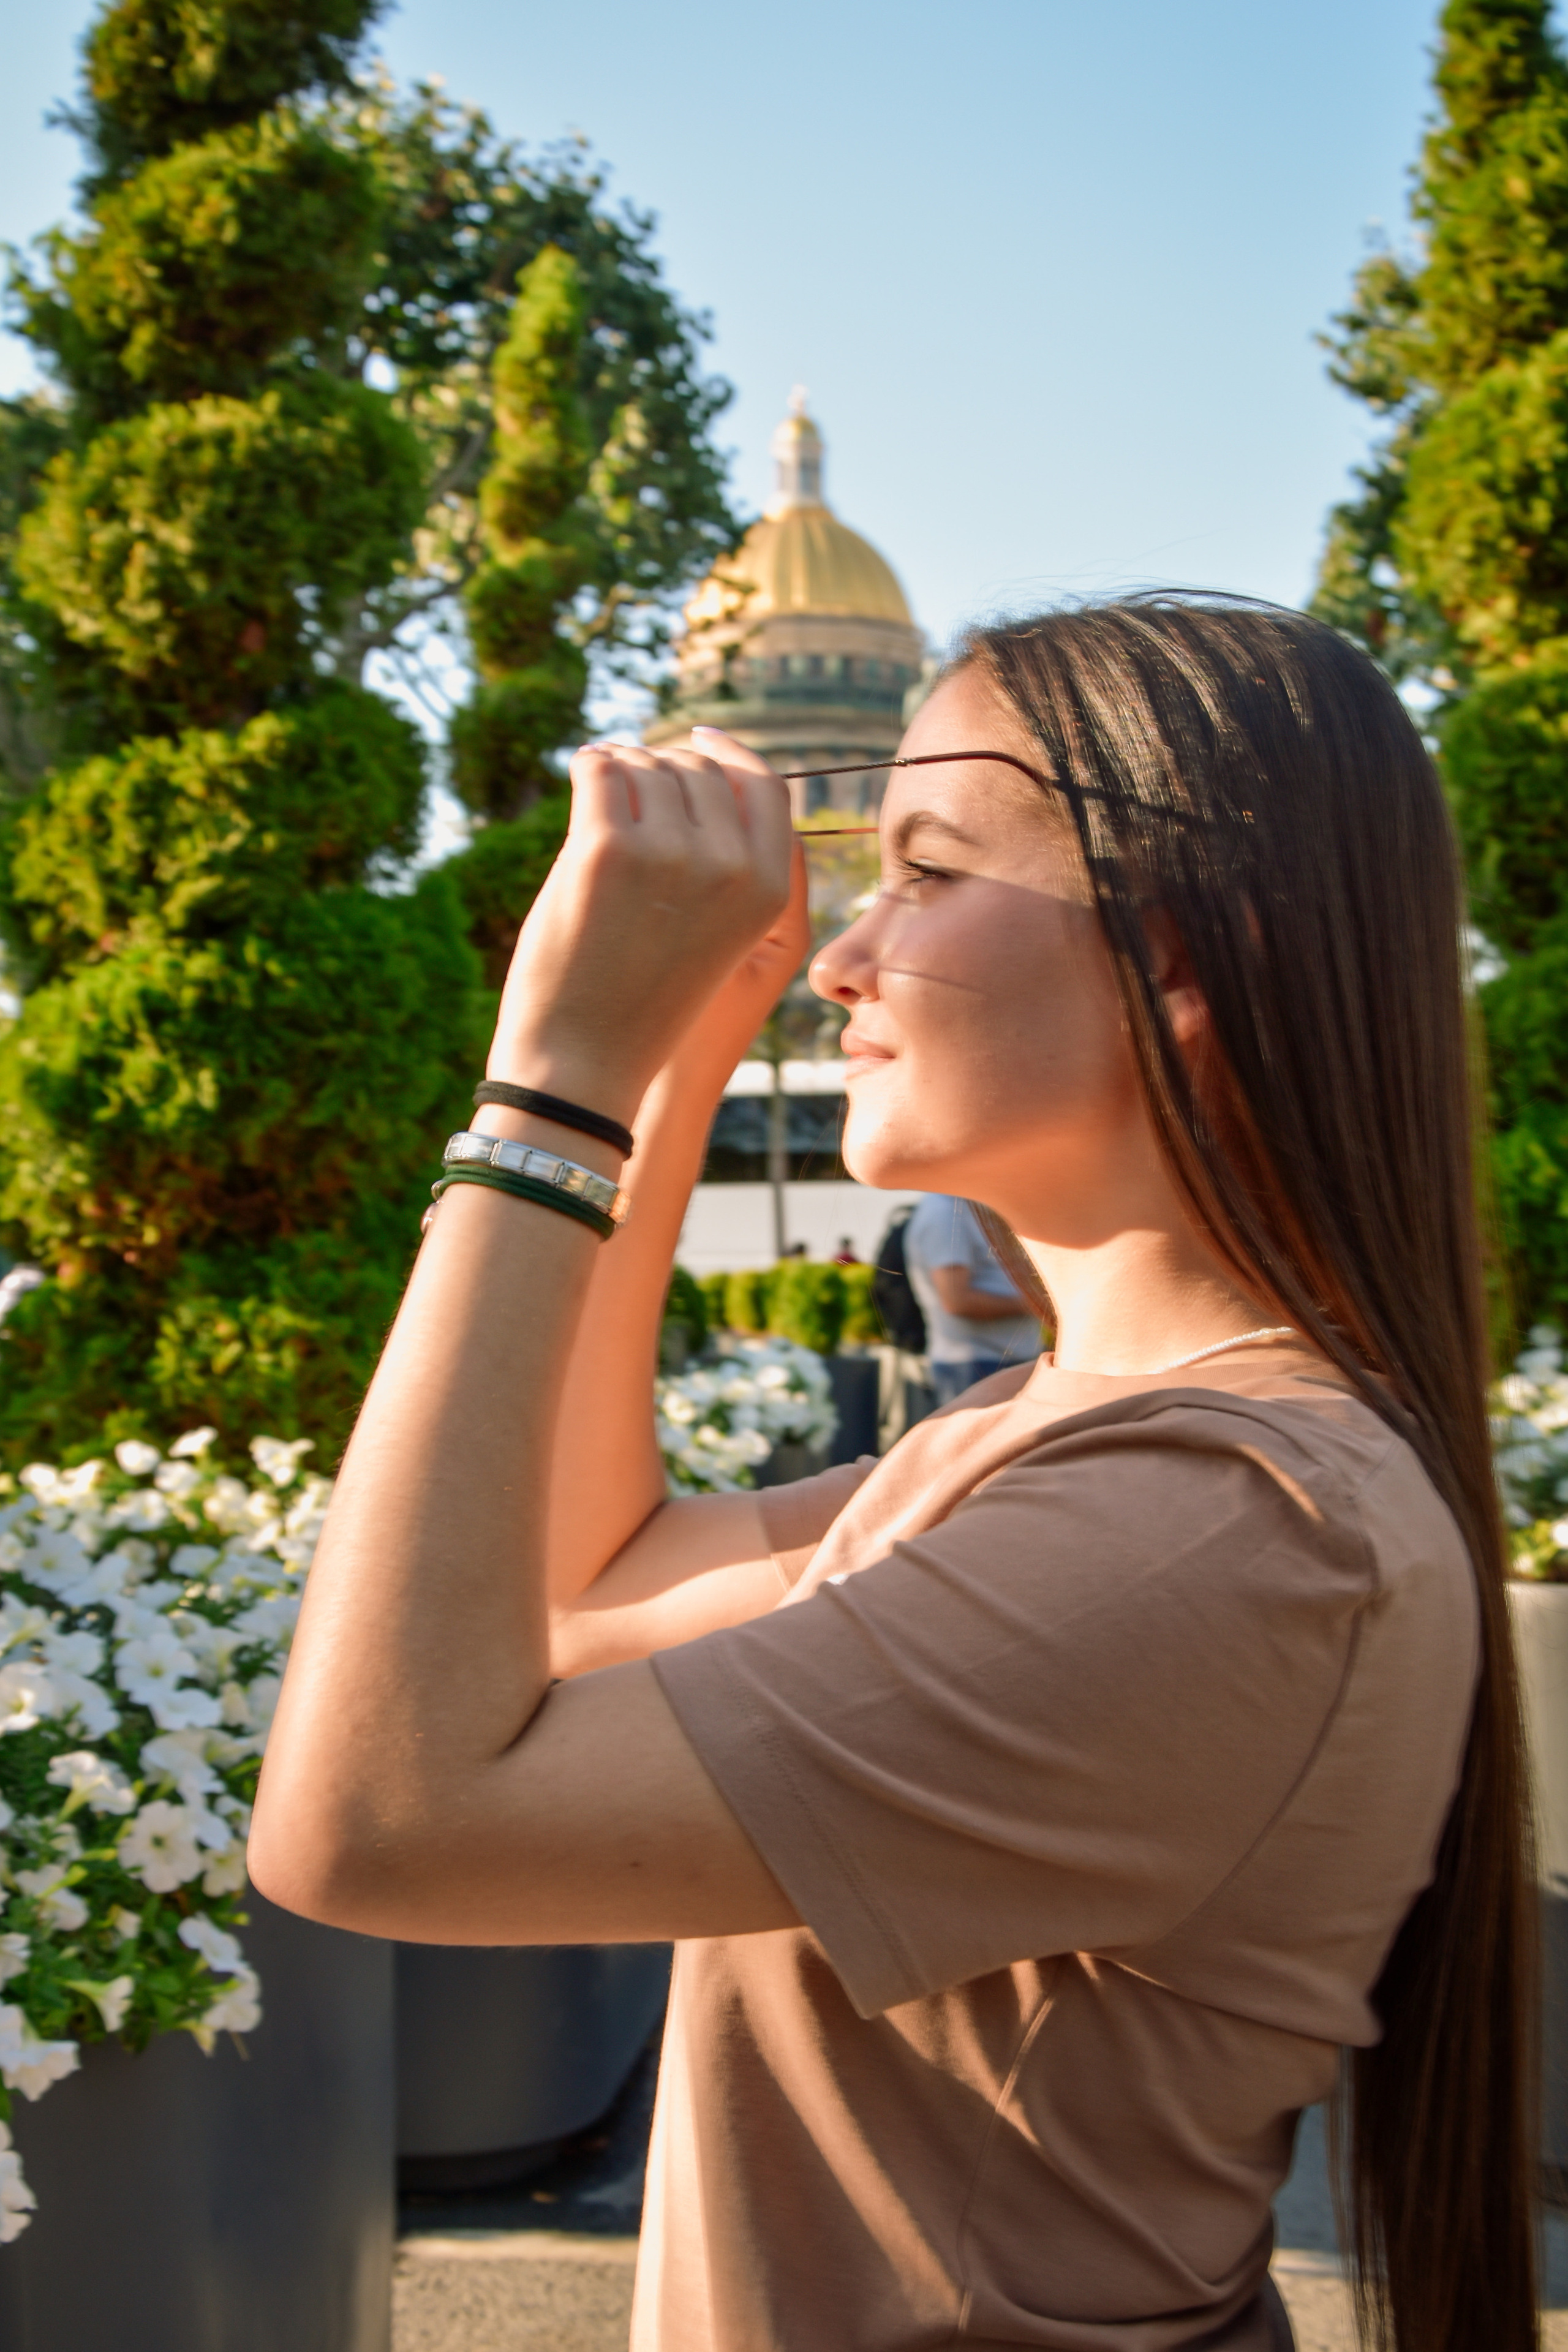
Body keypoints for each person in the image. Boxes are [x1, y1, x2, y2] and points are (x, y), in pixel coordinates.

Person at [252, 598, 1535, 2352]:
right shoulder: (1074, 1442)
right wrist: (673, 1061)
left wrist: (547, 1092)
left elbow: (374, 1825)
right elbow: (586, 1587)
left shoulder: (1220, 1526)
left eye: (925, 873)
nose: (841, 960)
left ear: (1180, 957)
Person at [902, 1190, 1043, 1401]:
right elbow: (957, 1301)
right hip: (974, 1365)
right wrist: (1040, 1305)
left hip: (996, 1362)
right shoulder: (944, 1212)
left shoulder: (970, 1206)